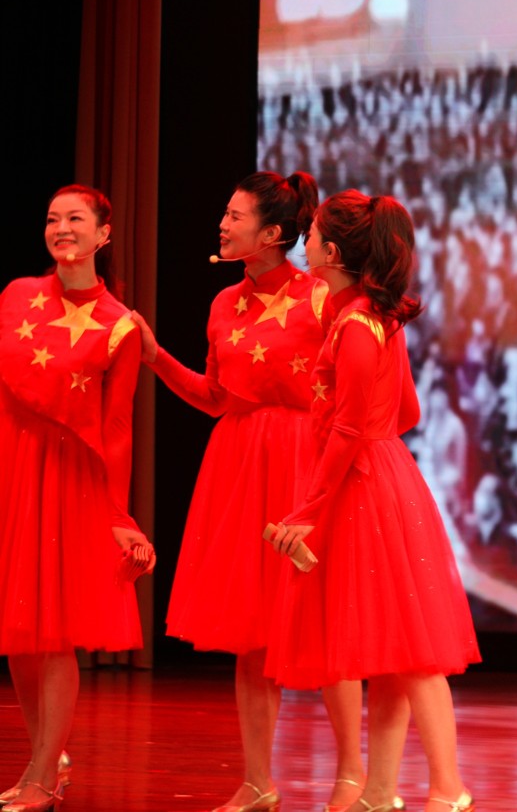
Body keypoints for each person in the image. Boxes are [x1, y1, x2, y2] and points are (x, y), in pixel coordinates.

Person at [133, 172, 364, 812]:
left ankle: (353, 775)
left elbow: (355, 384)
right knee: (250, 629)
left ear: (272, 233)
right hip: (238, 466)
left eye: (235, 216)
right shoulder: (223, 304)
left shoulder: (323, 295)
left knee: (322, 621)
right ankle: (258, 779)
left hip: (305, 461)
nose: (222, 224)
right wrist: (155, 356)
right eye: (226, 213)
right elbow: (215, 397)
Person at [267, 191, 478, 812]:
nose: (304, 243)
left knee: (410, 650)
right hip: (383, 478)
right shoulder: (372, 318)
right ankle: (380, 791)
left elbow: (349, 429)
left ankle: (448, 788)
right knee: (393, 649)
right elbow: (405, 411)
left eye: (310, 235)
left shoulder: (356, 326)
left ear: (332, 253)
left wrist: (309, 509)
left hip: (362, 486)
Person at [0, 185, 156, 812]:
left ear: (103, 235)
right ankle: (48, 755)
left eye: (75, 219)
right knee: (17, 628)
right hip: (13, 466)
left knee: (54, 630)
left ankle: (42, 774)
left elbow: (117, 430)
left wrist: (118, 514)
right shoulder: (16, 296)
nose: (61, 229)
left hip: (69, 478)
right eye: (52, 219)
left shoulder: (120, 325)